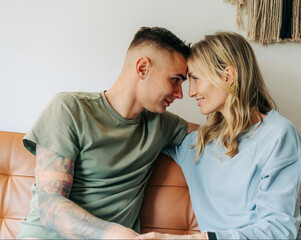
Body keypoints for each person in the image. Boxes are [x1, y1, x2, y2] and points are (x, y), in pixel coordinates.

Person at [17, 26, 198, 239]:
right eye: (175, 80)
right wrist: (116, 234)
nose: (179, 94)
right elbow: (50, 208)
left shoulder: (162, 124)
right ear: (142, 68)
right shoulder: (69, 109)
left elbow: (219, 132)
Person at [138, 32, 301, 240]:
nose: (190, 92)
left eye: (195, 79)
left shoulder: (279, 134)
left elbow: (280, 231)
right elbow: (137, 125)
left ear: (227, 76)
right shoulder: (196, 144)